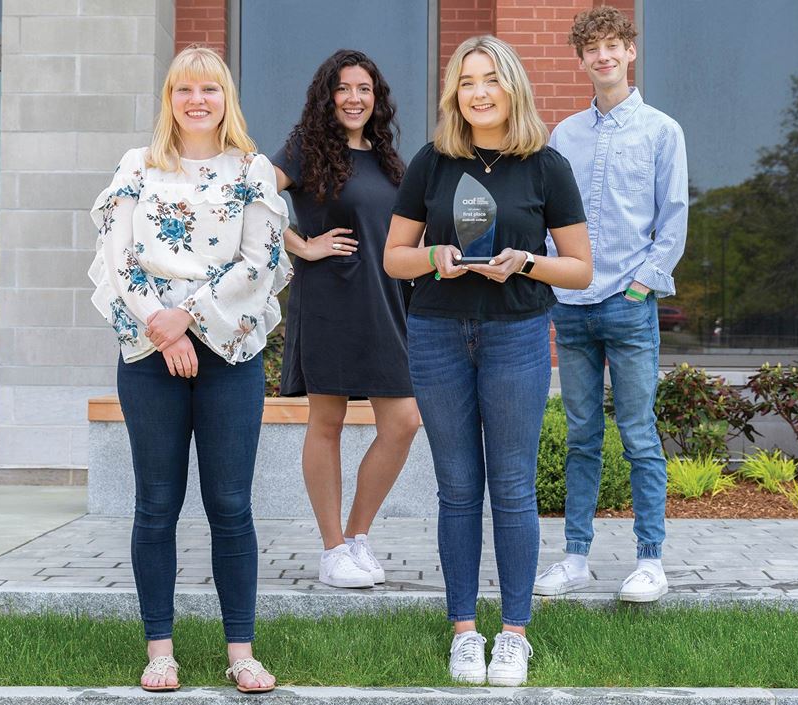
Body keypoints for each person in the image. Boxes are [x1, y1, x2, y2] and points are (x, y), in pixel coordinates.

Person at [384, 36, 591, 687]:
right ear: (454, 93)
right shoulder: (433, 162)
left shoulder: (547, 166)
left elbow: (581, 269)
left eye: (490, 79)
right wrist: (435, 257)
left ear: (512, 88)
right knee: (456, 488)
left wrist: (525, 260)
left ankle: (515, 634)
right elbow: (394, 256)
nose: (478, 91)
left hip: (518, 334)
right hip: (438, 332)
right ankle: (465, 633)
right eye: (467, 80)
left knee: (512, 485)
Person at [88, 45, 291, 693]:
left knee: (230, 504)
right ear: (169, 99)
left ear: (226, 98)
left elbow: (261, 260)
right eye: (184, 89)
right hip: (151, 353)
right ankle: (160, 651)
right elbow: (119, 260)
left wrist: (191, 318)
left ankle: (241, 652)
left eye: (209, 89)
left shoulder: (253, 169)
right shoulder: (137, 167)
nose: (196, 100)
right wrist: (161, 323)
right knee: (156, 504)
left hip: (229, 352)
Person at [533, 6, 688, 603]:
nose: (602, 57)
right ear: (581, 60)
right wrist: (552, 278)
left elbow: (672, 221)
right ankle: (575, 557)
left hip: (629, 305)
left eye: (612, 46)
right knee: (580, 436)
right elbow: (550, 220)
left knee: (639, 435)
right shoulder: (563, 135)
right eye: (591, 49)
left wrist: (642, 286)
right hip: (570, 307)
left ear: (629, 51)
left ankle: (650, 560)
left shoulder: (661, 130)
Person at [271, 50, 420, 589]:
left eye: (365, 89)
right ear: (326, 96)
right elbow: (249, 199)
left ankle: (357, 536)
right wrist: (302, 247)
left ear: (376, 98)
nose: (354, 97)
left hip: (385, 302)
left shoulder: (388, 161)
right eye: (344, 88)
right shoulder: (304, 150)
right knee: (327, 423)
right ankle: (332, 548)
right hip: (331, 300)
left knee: (403, 421)